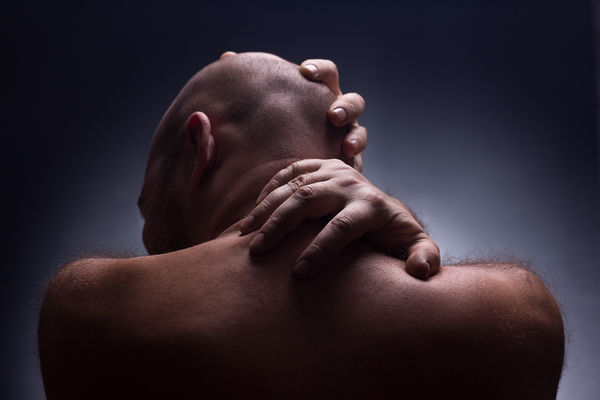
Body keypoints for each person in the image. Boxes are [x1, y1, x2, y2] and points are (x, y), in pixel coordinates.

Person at [38, 52, 564, 399]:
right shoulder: (512, 315)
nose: (146, 231)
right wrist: (396, 230)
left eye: (148, 201)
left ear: (201, 145)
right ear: (349, 161)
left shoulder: (88, 310)